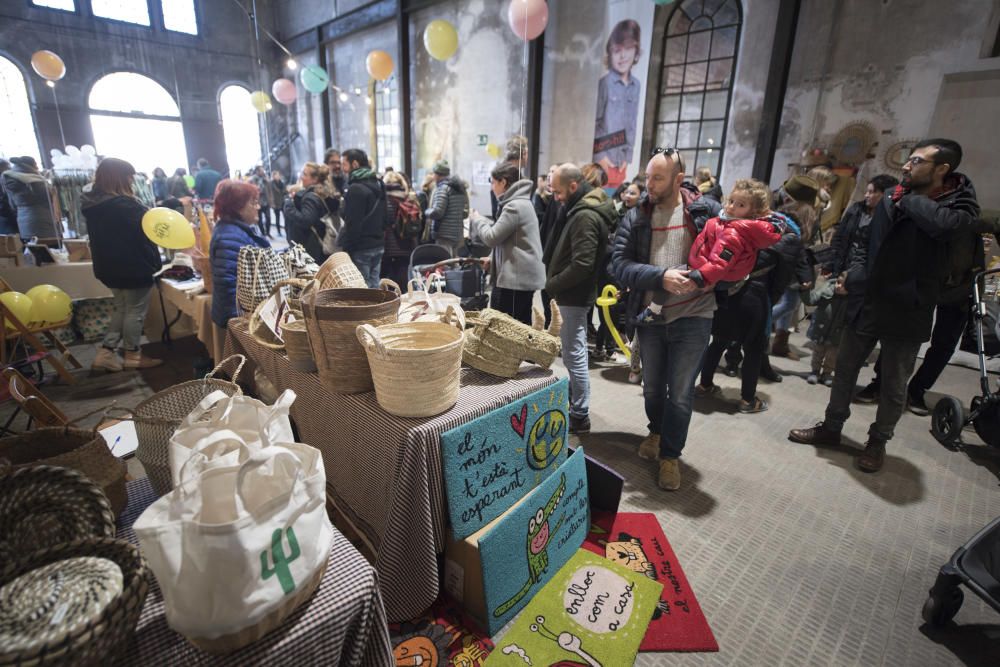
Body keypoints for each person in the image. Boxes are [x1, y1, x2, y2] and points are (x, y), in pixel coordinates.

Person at [789, 139, 981, 473]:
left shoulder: (958, 204)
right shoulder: (892, 197)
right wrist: (855, 275)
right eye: (908, 160)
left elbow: (945, 228)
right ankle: (832, 427)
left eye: (917, 161)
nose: (907, 166)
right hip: (871, 299)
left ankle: (878, 441)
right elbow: (868, 244)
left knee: (893, 384)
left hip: (911, 306)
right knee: (845, 369)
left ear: (942, 169)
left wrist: (909, 199)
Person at [612, 148, 719, 490]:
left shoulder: (705, 211)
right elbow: (618, 264)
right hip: (650, 317)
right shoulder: (638, 215)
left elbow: (733, 254)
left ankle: (671, 456)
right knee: (653, 388)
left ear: (678, 179)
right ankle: (656, 433)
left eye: (657, 178)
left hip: (694, 315)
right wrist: (660, 276)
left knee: (681, 393)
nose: (649, 184)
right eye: (647, 176)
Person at [545, 164, 617, 436]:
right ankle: (576, 404)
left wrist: (553, 283)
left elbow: (582, 264)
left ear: (574, 186)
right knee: (572, 350)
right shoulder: (580, 210)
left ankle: (579, 414)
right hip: (572, 294)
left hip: (573, 295)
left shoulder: (585, 215)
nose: (556, 197)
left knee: (574, 354)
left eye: (559, 191)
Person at [81, 158, 163, 371]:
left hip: (107, 267)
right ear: (120, 178)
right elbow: (147, 234)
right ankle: (132, 356)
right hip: (133, 267)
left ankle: (105, 353)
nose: (131, 181)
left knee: (122, 309)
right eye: (129, 176)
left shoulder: (93, 205)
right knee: (135, 312)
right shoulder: (126, 206)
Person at [470, 162, 545, 324]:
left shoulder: (514, 206)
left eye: (493, 182)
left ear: (503, 182)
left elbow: (491, 237)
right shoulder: (520, 203)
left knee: (503, 328)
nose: (491, 187)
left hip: (515, 281)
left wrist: (478, 220)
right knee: (520, 327)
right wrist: (492, 257)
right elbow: (507, 239)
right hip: (519, 278)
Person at [769, 175, 821, 360]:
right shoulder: (802, 213)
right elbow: (804, 244)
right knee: (788, 303)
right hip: (790, 265)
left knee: (789, 304)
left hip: (783, 263)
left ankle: (779, 342)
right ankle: (757, 327)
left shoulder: (776, 203)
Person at [210, 180, 271, 329]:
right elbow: (228, 285)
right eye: (253, 202)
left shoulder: (236, 231)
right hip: (240, 317)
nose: (258, 206)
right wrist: (241, 323)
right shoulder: (230, 236)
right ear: (237, 207)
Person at [593, 19, 642, 189]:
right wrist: (601, 156)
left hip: (622, 162)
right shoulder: (605, 84)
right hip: (604, 159)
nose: (622, 56)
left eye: (628, 49)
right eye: (617, 50)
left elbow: (633, 125)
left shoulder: (636, 85)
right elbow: (596, 122)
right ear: (610, 53)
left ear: (636, 52)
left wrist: (627, 157)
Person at [339, 149, 387, 286]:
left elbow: (353, 224)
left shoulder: (355, 188)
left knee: (362, 291)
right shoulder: (379, 183)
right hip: (378, 244)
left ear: (354, 164)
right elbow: (386, 217)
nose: (343, 169)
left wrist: (349, 248)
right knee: (374, 286)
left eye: (344, 164)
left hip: (361, 248)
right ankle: (378, 308)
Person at [283, 162, 338, 264]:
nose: (300, 176)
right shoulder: (321, 193)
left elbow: (306, 220)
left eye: (304, 174)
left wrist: (288, 203)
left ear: (314, 179)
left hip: (312, 248)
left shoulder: (310, 197)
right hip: (318, 246)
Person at [802, 272, 848, 386]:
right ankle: (815, 372)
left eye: (843, 285)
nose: (838, 286)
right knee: (818, 352)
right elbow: (810, 300)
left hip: (838, 334)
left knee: (832, 356)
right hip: (821, 330)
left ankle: (827, 373)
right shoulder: (826, 290)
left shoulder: (852, 300)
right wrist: (805, 290)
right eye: (838, 282)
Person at [2, 156, 58, 239]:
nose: (37, 167)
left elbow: (12, 205)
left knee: (33, 248)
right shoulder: (37, 182)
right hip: (43, 222)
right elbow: (49, 201)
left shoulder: (9, 179)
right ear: (30, 166)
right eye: (36, 165)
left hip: (23, 222)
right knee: (50, 248)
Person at [381, 171, 421, 287]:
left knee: (386, 282)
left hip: (387, 247)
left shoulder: (384, 201)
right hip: (406, 246)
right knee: (403, 281)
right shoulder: (409, 199)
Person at [425, 160, 468, 257]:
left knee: (444, 266)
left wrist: (427, 212)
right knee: (454, 266)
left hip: (444, 235)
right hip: (457, 234)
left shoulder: (443, 189)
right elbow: (465, 213)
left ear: (437, 175)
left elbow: (438, 212)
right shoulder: (460, 188)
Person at [249, 166, 271, 237]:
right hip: (258, 202)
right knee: (259, 219)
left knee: (268, 218)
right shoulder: (253, 179)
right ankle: (263, 233)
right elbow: (258, 190)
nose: (263, 171)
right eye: (262, 170)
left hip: (266, 202)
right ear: (257, 171)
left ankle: (268, 232)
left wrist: (267, 181)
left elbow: (269, 188)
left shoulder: (264, 178)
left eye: (263, 170)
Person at [0, 159, 17, 235]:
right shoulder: (4, 181)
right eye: (8, 167)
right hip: (7, 219)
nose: (11, 169)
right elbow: (4, 205)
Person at [269, 170, 286, 238]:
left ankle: (286, 230)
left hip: (282, 202)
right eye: (277, 175)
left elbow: (284, 191)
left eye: (279, 175)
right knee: (277, 218)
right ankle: (278, 231)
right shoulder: (271, 184)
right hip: (276, 203)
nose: (278, 176)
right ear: (273, 176)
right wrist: (272, 203)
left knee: (286, 217)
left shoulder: (282, 183)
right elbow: (271, 194)